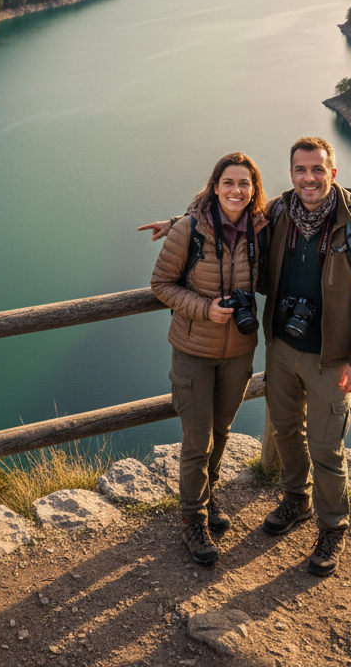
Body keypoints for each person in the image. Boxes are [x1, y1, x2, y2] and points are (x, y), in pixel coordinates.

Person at [140, 136, 351, 578]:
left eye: (317, 170)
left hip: (330, 358)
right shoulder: (278, 213)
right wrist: (180, 222)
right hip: (280, 348)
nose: (309, 178)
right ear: (290, 174)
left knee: (327, 447)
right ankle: (296, 499)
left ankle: (334, 527)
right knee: (286, 431)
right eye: (300, 170)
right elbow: (222, 213)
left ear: (332, 173)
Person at [147, 152, 269, 566]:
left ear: (254, 191)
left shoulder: (262, 228)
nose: (236, 190)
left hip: (239, 352)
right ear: (215, 186)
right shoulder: (189, 230)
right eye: (229, 182)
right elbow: (160, 284)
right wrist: (204, 309)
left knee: (221, 432)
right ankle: (192, 519)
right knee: (197, 440)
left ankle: (207, 495)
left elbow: (309, 203)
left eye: (245, 184)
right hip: (194, 351)